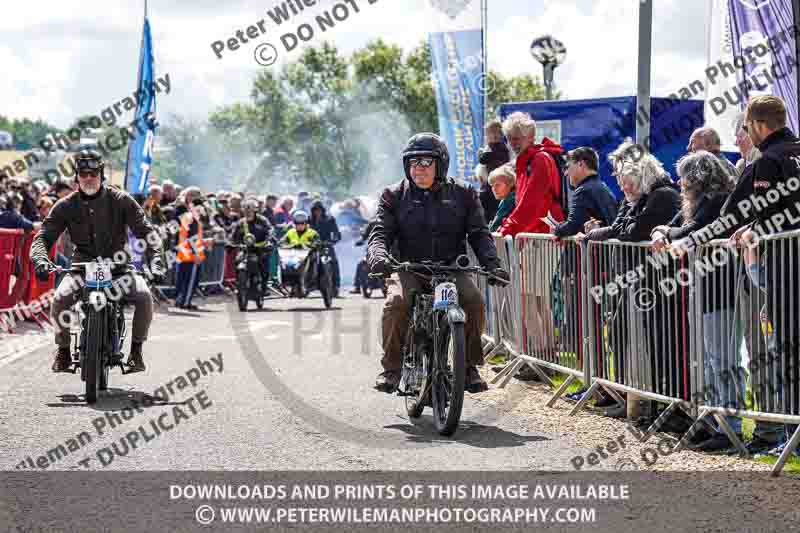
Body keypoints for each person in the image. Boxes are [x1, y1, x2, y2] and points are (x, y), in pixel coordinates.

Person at [368, 133, 508, 394]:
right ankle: (392, 368)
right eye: (412, 162)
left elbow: (479, 234)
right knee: (397, 303)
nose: (418, 168)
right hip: (408, 267)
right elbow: (380, 233)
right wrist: (378, 257)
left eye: (425, 162)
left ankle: (468, 368)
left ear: (441, 164)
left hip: (450, 269)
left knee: (474, 301)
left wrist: (492, 264)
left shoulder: (464, 194)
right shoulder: (393, 195)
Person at [29, 150, 164, 373]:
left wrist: (157, 260)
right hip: (81, 269)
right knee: (60, 300)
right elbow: (43, 236)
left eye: (93, 173)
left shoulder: (121, 200)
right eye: (83, 174)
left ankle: (136, 352)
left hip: (119, 269)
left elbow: (148, 233)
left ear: (102, 175)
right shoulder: (65, 205)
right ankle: (63, 351)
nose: (89, 178)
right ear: (77, 177)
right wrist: (41, 259)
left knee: (144, 297)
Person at [581, 140, 683, 420]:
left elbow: (629, 232)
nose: (622, 186)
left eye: (626, 180)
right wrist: (616, 227)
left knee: (663, 346)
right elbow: (621, 227)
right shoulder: (639, 198)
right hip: (637, 278)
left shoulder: (661, 195)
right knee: (625, 334)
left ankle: (666, 408)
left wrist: (613, 229)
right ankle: (632, 398)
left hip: (658, 280)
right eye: (620, 179)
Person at [722, 95, 800, 456]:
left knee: (786, 350)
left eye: (747, 127)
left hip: (786, 266)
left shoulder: (769, 160)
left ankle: (794, 441)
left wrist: (753, 229)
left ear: (758, 125)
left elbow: (767, 215)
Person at [650, 151, 740, 451]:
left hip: (720, 286)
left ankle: (730, 426)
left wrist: (669, 233)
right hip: (703, 286)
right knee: (709, 361)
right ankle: (713, 420)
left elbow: (693, 230)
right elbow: (676, 225)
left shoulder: (714, 201)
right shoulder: (697, 201)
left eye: (685, 176)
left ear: (699, 178)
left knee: (721, 360)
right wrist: (661, 230)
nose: (680, 182)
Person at [552, 147, 618, 238]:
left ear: (581, 164)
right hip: (610, 249)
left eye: (568, 166)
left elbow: (572, 226)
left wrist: (556, 229)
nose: (566, 173)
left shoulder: (583, 190)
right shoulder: (603, 187)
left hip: (598, 250)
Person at [232, 198, 275, 292]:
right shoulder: (240, 223)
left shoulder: (262, 220)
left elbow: (270, 229)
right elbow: (234, 236)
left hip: (260, 248)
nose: (248, 212)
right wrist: (232, 243)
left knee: (264, 267)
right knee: (237, 261)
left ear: (255, 210)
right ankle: (239, 283)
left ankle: (264, 287)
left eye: (250, 210)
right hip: (246, 249)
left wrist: (269, 239)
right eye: (246, 210)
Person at [478, 119, 511, 223]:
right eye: (491, 133)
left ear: (501, 134)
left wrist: (482, 153)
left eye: (497, 132)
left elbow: (483, 159)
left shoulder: (500, 148)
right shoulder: (492, 147)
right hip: (490, 184)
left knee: (493, 209)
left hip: (497, 183)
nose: (494, 135)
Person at [309, 200, 342, 297]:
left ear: (322, 210)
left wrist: (333, 240)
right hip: (312, 246)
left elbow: (336, 232)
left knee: (333, 263)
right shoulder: (308, 220)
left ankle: (335, 286)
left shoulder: (330, 219)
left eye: (319, 210)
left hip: (325, 245)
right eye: (315, 210)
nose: (317, 212)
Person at [487, 164, 516, 232]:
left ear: (510, 184)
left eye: (498, 185)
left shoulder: (510, 200)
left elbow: (494, 228)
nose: (494, 189)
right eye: (492, 185)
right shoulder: (506, 199)